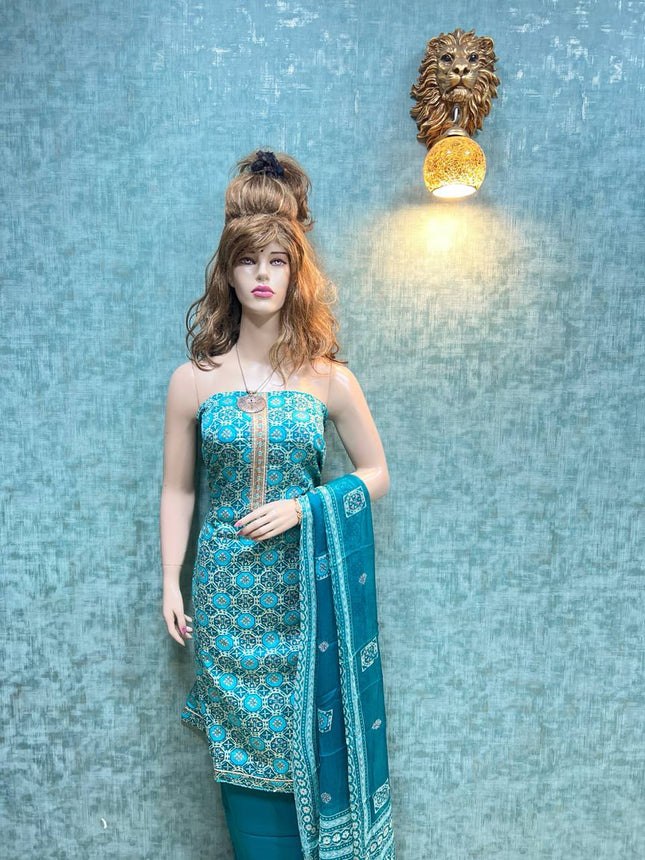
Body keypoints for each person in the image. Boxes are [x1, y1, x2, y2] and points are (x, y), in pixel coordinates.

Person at [160, 150, 395, 860]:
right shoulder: (193, 381)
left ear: (295, 273)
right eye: (247, 261)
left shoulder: (328, 379)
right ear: (227, 274)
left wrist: (305, 508)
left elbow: (377, 473)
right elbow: (178, 489)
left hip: (308, 601)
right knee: (243, 772)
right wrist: (169, 579)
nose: (262, 275)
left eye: (277, 261)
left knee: (313, 746)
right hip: (227, 604)